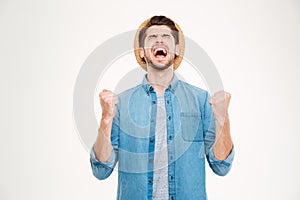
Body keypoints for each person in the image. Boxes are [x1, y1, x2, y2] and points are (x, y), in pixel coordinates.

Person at [90, 15, 234, 200]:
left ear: (176, 50)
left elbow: (221, 166)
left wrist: (223, 119)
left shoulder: (201, 100)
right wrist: (106, 119)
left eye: (166, 36)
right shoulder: (121, 103)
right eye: (152, 37)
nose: (159, 40)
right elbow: (101, 170)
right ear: (142, 52)